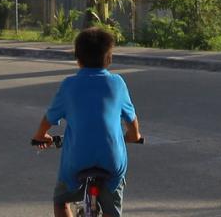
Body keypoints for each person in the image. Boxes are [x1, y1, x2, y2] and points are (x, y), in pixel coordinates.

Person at [32, 27, 142, 217]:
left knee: (60, 201)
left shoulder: (69, 85)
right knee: (111, 210)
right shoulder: (117, 83)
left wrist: (40, 136)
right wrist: (134, 136)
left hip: (77, 160)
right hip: (112, 160)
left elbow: (48, 119)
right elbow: (131, 121)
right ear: (109, 58)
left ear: (78, 58)